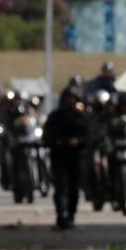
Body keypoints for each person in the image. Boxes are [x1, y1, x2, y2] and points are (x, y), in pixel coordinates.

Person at [43, 87, 90, 230]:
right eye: (67, 98)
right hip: (59, 156)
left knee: (74, 189)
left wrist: (77, 142)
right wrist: (57, 141)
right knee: (60, 187)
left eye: (72, 98)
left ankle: (70, 215)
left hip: (76, 157)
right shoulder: (55, 117)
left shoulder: (80, 117)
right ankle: (60, 215)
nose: (69, 100)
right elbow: (47, 136)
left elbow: (87, 136)